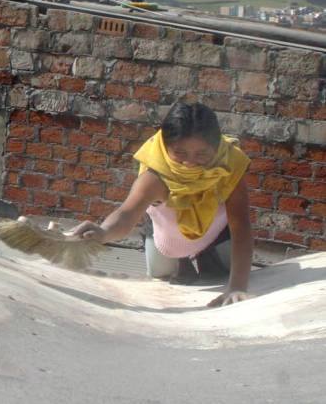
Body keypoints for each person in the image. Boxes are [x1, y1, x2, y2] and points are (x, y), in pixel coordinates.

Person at [71, 102, 253, 307]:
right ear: (166, 148)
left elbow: (242, 226)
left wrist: (237, 287)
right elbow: (126, 214)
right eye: (180, 154)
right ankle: (182, 262)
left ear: (216, 147)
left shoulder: (230, 164)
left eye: (202, 154)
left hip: (215, 233)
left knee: (224, 270)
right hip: (167, 237)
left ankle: (206, 254)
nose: (189, 164)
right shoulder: (156, 174)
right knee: (162, 274)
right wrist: (102, 232)